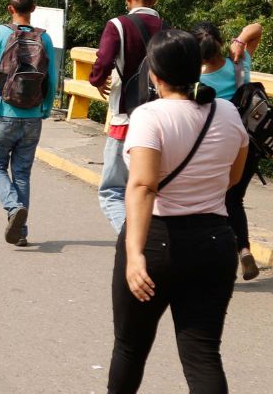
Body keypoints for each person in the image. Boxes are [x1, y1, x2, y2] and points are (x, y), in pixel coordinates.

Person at [106, 29, 248, 394]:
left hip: (155, 242)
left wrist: (135, 255)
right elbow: (233, 177)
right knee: (203, 355)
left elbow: (142, 185)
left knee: (130, 347)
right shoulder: (228, 112)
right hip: (215, 241)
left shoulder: (149, 116)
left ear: (153, 74)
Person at [0, 0, 58, 245]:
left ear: (10, 9)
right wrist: (45, 109)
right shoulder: (46, 39)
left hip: (3, 112)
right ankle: (20, 232)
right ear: (34, 9)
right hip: (32, 116)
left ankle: (12, 208)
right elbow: (51, 80)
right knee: (21, 173)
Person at [92, 0, 164, 233]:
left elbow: (103, 61)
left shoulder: (118, 25)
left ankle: (130, 236)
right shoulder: (167, 28)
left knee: (112, 189)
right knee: (152, 186)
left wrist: (97, 79)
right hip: (160, 119)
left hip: (126, 117)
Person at [194, 20, 265, 281]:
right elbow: (256, 28)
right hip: (249, 144)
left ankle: (218, 259)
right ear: (221, 43)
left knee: (211, 204)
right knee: (234, 199)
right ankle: (243, 248)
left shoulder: (197, 81)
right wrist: (240, 40)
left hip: (215, 148)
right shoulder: (239, 63)